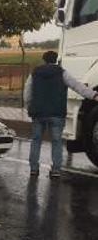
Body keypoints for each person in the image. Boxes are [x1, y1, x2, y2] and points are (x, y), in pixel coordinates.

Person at [24, 50, 98, 178]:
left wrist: (28, 107)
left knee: (36, 141)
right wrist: (94, 95)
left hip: (38, 113)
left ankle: (34, 169)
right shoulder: (62, 73)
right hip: (57, 113)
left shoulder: (35, 73)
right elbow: (77, 86)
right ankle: (56, 170)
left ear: (44, 60)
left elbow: (27, 91)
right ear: (56, 60)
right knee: (56, 141)